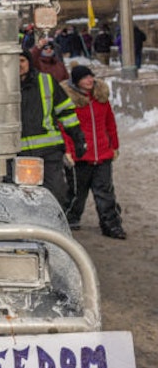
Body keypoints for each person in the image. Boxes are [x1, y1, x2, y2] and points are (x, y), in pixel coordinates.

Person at [61, 66, 126, 239]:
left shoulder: (101, 98)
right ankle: (68, 219)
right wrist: (67, 151)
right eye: (84, 78)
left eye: (91, 77)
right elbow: (63, 128)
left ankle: (111, 225)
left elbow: (110, 123)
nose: (89, 80)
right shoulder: (69, 101)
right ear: (76, 82)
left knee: (105, 192)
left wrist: (114, 146)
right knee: (76, 193)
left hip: (102, 154)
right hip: (79, 156)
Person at [19, 50, 86, 207]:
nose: (18, 65)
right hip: (17, 152)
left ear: (29, 62)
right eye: (13, 61)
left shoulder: (46, 81)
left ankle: (52, 226)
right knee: (21, 197)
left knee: (56, 193)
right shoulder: (3, 85)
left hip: (48, 151)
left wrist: (77, 137)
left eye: (22, 60)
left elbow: (65, 111)